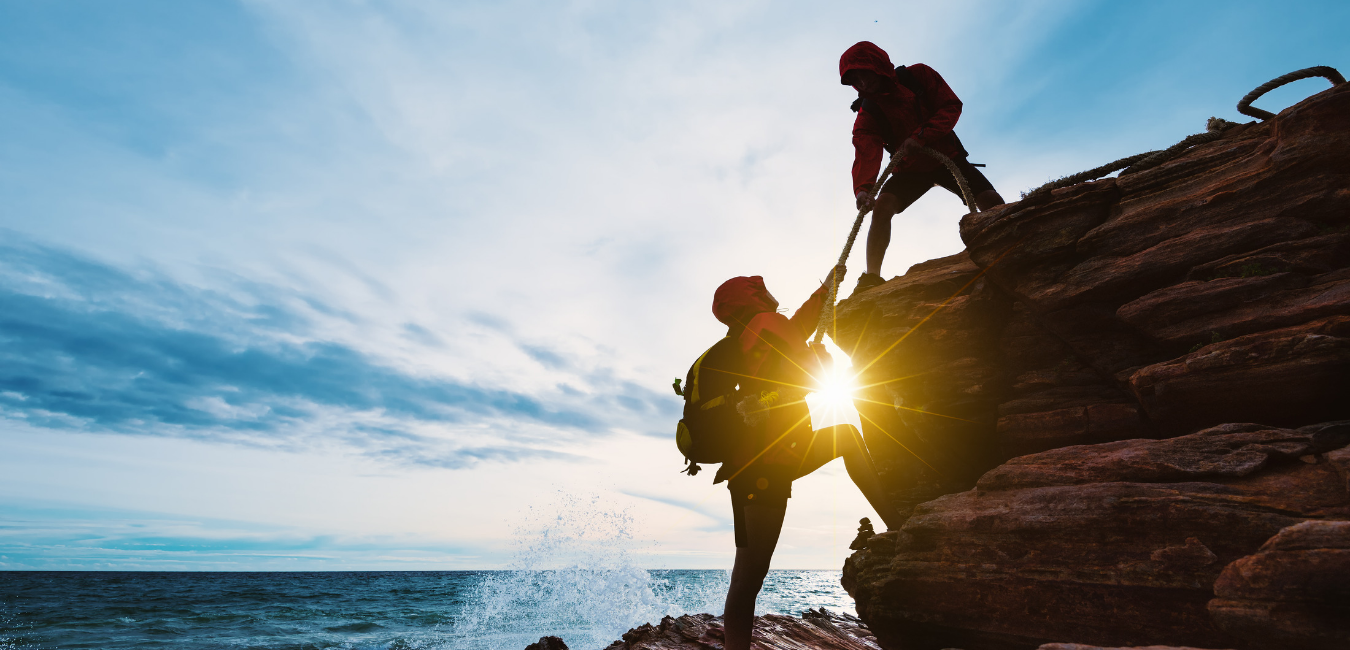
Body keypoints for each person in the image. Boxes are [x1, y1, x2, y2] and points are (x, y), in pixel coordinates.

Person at [703, 265, 903, 650]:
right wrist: (820, 360)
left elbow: (798, 328)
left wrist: (828, 286)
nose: (767, 293)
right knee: (749, 577)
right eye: (758, 290)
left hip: (755, 464)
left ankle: (734, 642)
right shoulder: (766, 324)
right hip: (767, 465)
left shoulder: (748, 335)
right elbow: (806, 372)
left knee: (746, 576)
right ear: (752, 299)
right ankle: (895, 521)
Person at [840, 41, 1006, 296]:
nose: (861, 83)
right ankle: (871, 277)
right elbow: (865, 150)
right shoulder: (867, 113)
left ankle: (1010, 243)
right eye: (855, 79)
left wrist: (922, 136)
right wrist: (863, 189)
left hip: (945, 156)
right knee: (882, 207)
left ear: (878, 66)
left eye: (864, 73)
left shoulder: (918, 76)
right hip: (908, 170)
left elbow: (950, 105)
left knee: (990, 200)